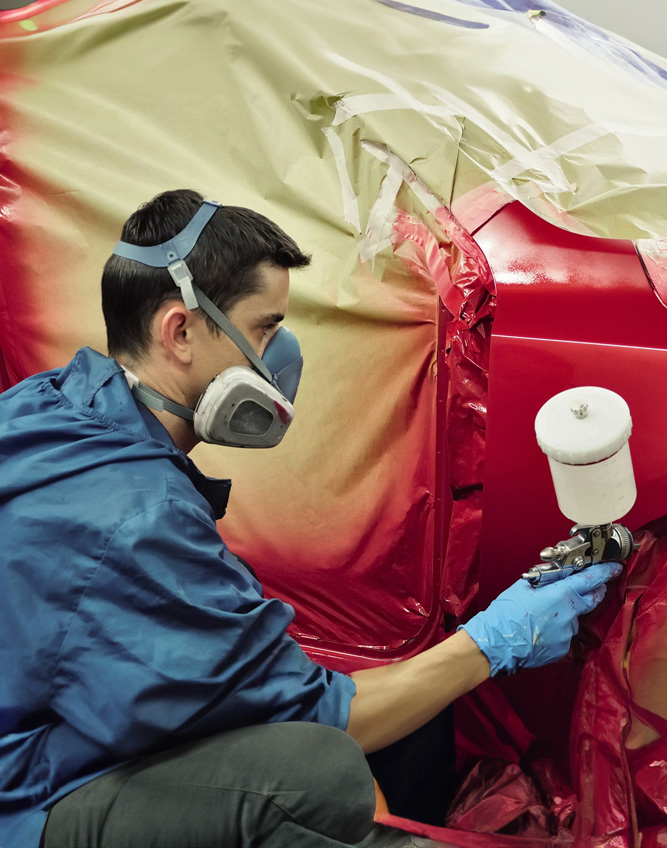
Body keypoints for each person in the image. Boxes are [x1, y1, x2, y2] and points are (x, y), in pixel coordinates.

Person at [0, 190, 620, 848]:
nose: (280, 359)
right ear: (179, 332)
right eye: (265, 329)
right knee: (312, 776)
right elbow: (324, 718)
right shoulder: (135, 515)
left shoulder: (51, 405)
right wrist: (495, 641)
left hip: (51, 723)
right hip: (25, 803)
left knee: (415, 730)